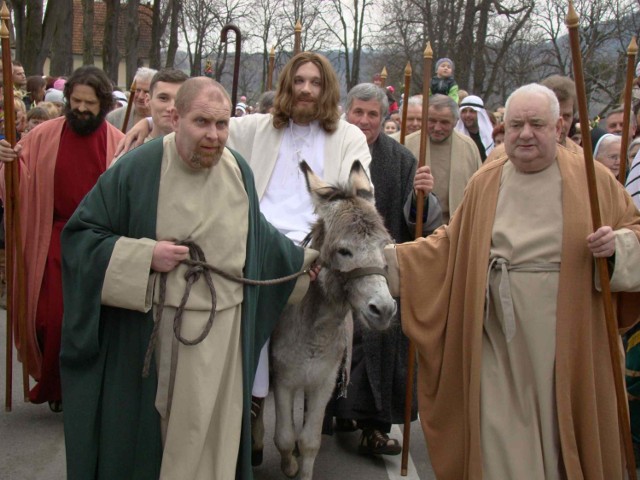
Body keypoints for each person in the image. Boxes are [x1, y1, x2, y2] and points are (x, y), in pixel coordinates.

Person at [115, 51, 371, 465]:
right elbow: (201, 126)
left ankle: (317, 414)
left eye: (316, 82)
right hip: (257, 246)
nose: (306, 89)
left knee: (336, 320)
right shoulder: (256, 128)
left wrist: (327, 248)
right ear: (287, 86)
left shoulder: (348, 137)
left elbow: (356, 197)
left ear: (327, 89)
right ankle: (251, 413)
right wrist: (149, 122)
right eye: (299, 81)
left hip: (317, 250)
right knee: (246, 330)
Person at [59, 77, 317, 480]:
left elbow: (259, 238)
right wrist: (145, 255)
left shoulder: (238, 170)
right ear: (176, 118)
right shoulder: (139, 169)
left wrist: (303, 261)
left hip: (225, 335)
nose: (214, 136)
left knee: (213, 433)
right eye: (201, 123)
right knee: (160, 440)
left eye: (222, 124)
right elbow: (80, 240)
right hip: (159, 333)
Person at [385, 83, 640, 479]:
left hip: (567, 339)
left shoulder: (592, 179)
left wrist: (617, 248)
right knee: (496, 434)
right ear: (503, 128)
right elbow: (450, 244)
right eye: (516, 123)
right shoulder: (488, 179)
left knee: (560, 440)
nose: (525, 134)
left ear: (558, 128)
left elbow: (634, 230)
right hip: (496, 338)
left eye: (537, 124)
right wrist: (388, 263)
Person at [324, 83, 441, 454]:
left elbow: (418, 222)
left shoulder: (402, 159)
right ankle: (338, 412)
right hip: (338, 266)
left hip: (381, 267)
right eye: (358, 112)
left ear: (384, 117)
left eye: (373, 114)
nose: (364, 121)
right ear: (347, 112)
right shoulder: (332, 150)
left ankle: (374, 428)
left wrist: (422, 197)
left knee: (384, 338)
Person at [0, 65, 124, 411]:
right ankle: (54, 383)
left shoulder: (117, 142)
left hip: (98, 241)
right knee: (48, 318)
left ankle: (76, 388)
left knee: (87, 322)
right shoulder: (43, 135)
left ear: (103, 104)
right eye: (76, 101)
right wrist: (8, 163)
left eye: (89, 103)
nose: (81, 109)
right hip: (52, 235)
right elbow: (18, 179)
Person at [404, 94, 482, 224]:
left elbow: (479, 190)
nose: (437, 128)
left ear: (456, 122)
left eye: (444, 122)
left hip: (455, 228)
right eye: (432, 121)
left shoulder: (468, 147)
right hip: (415, 229)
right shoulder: (407, 145)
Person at [486, 75, 583, 163]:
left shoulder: (583, 161)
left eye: (567, 116)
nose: (562, 124)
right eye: (555, 115)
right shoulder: (498, 157)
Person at [106, 66, 156, 131]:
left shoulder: (162, 120)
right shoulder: (113, 117)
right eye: (138, 90)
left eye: (146, 92)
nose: (141, 96)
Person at [146, 68, 189, 141]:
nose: (171, 107)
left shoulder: (200, 148)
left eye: (179, 99)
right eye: (163, 98)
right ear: (147, 101)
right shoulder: (131, 148)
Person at [455, 94, 494, 161]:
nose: (467, 115)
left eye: (472, 111)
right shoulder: (456, 135)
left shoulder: (490, 137)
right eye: (464, 111)